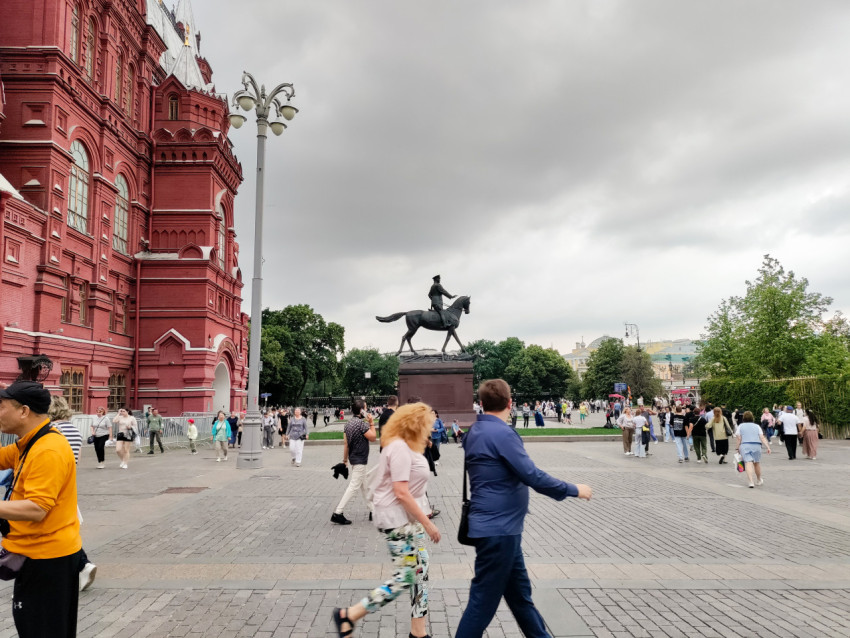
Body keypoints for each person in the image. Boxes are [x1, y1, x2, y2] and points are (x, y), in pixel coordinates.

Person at [455, 379, 592, 638]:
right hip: (499, 531)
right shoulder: (503, 434)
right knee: (482, 603)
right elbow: (532, 475)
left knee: (520, 597)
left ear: (481, 404)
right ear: (510, 403)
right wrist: (574, 489)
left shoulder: (475, 431)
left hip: (499, 528)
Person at [331, 403, 440, 638]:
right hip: (397, 521)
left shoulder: (408, 445)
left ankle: (418, 632)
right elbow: (401, 492)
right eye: (428, 422)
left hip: (409, 520)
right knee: (406, 577)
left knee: (421, 571)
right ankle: (349, 615)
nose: (432, 426)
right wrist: (428, 523)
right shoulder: (400, 447)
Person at [0, 381, 83, 636]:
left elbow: (37, 509)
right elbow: (3, 456)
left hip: (48, 559)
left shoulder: (48, 449)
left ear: (24, 411)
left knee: (42, 629)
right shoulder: (31, 442)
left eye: (1, 406)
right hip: (38, 554)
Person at [48, 397, 98, 592]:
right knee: (64, 531)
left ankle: (82, 564)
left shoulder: (52, 430)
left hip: (53, 485)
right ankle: (82, 565)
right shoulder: (75, 430)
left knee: (54, 532)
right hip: (68, 484)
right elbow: (77, 459)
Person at [331, 399, 376, 525]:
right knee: (354, 486)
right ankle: (338, 512)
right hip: (360, 459)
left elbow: (346, 444)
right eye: (365, 408)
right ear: (361, 410)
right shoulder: (361, 424)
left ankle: (373, 510)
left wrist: (345, 460)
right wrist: (371, 423)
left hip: (354, 458)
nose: (367, 410)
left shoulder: (348, 424)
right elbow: (373, 437)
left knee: (365, 486)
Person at [735, 411, 771, 487]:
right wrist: (768, 447)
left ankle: (751, 482)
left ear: (744, 418)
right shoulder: (757, 426)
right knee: (756, 463)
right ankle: (758, 479)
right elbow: (762, 437)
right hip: (756, 445)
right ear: (752, 418)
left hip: (745, 445)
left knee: (748, 463)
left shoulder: (741, 426)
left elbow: (739, 438)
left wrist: (737, 448)